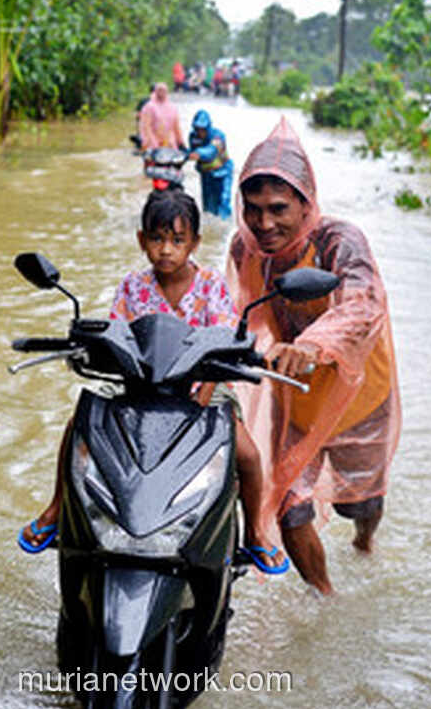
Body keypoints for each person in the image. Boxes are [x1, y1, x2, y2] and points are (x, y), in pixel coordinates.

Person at [20, 190, 288, 574]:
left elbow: (223, 345)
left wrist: (204, 393)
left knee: (247, 453)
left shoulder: (211, 285)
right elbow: (116, 336)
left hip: (201, 389)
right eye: (158, 239)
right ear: (142, 240)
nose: (166, 250)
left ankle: (257, 533)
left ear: (195, 243)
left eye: (178, 240)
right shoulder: (132, 285)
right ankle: (56, 509)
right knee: (79, 426)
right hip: (136, 388)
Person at [225, 117, 401, 595]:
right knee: (288, 503)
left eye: (279, 208)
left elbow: (363, 305)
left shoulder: (339, 242)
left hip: (360, 394)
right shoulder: (246, 248)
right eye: (254, 208)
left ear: (307, 204)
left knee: (362, 503)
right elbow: (234, 312)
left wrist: (310, 346)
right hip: (296, 392)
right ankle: (325, 598)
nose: (265, 223)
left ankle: (365, 544)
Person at [186, 109, 234, 220]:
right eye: (197, 129)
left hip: (222, 173)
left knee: (223, 202)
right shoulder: (193, 137)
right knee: (208, 207)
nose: (200, 132)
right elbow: (190, 152)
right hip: (206, 175)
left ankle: (226, 227)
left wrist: (198, 153)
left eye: (203, 129)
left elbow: (211, 151)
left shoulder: (218, 135)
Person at [139, 82, 185, 151]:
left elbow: (176, 127)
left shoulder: (172, 107)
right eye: (160, 90)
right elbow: (146, 126)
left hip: (169, 143)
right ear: (155, 91)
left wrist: (181, 142)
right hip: (152, 143)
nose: (162, 92)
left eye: (164, 90)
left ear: (167, 92)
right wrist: (152, 142)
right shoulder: (149, 107)